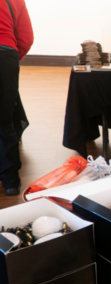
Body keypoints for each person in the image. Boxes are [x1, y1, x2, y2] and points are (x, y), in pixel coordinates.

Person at [0, 0, 33, 195]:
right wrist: (12, 57)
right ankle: (10, 181)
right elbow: (26, 38)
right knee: (4, 120)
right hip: (5, 56)